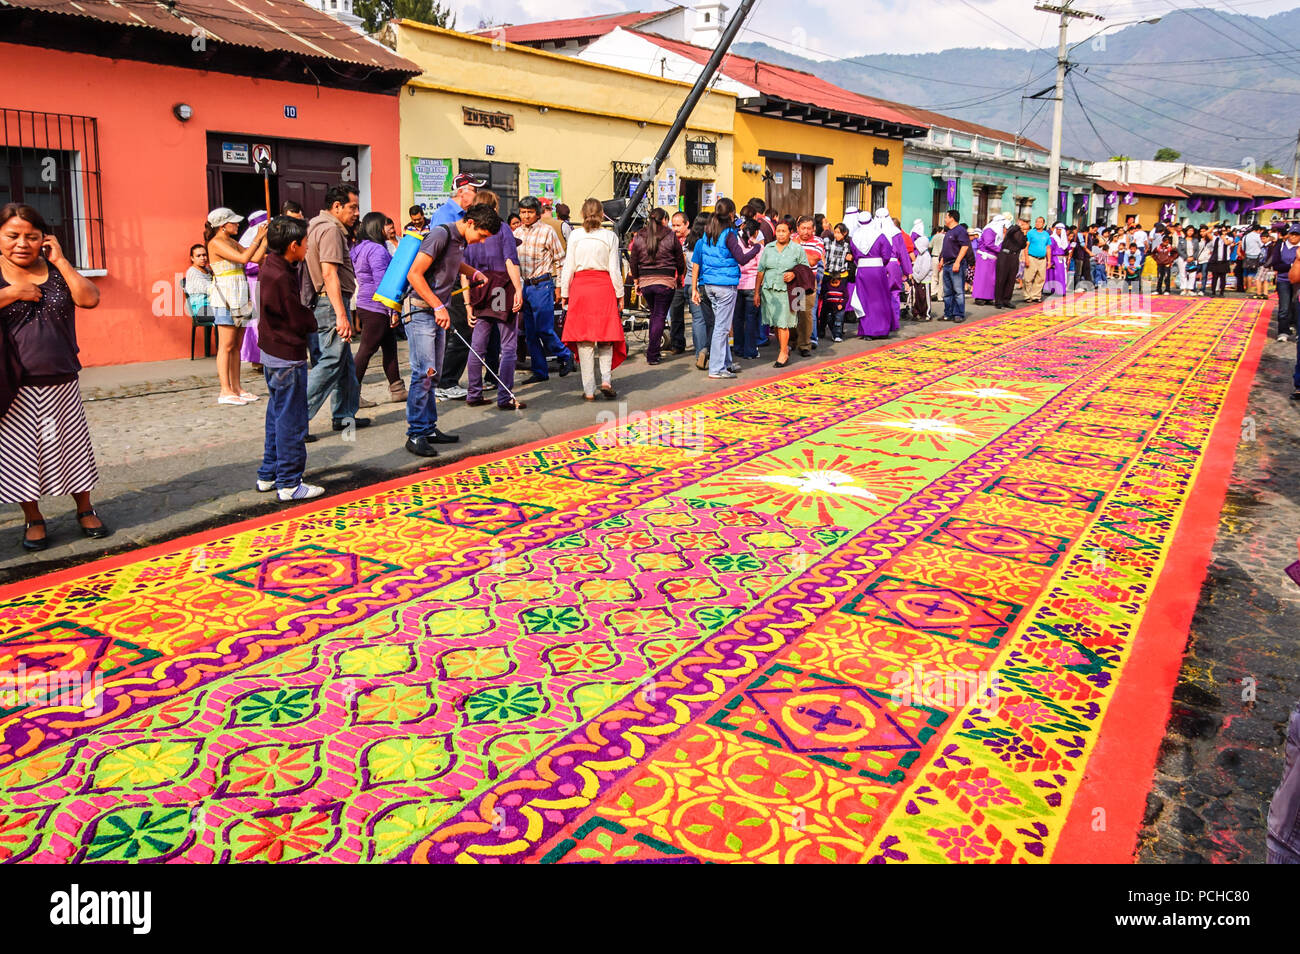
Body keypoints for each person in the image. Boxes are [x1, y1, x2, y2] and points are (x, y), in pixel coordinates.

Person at [0, 203, 106, 550]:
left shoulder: (56, 269)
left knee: (72, 448)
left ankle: (85, 509)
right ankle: (33, 517)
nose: (22, 243)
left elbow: (90, 299)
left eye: (31, 236)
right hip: (15, 384)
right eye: (12, 235)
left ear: (44, 238)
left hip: (62, 378)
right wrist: (11, 293)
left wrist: (60, 260)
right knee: (22, 454)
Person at [404, 204, 498, 456]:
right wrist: (437, 306)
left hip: (435, 312)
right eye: (481, 235)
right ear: (470, 223)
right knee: (423, 373)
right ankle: (415, 434)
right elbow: (415, 274)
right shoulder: (440, 234)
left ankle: (428, 428)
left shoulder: (459, 240)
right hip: (421, 311)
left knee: (433, 374)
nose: (481, 241)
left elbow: (452, 265)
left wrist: (474, 272)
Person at [255, 215, 323, 502]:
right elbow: (292, 315)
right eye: (306, 243)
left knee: (277, 414)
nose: (308, 248)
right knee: (291, 420)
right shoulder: (280, 275)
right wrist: (311, 319)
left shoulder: (273, 264)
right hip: (285, 353)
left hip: (272, 351)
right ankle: (289, 482)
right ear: (293, 245)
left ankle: (268, 474)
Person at [301, 184, 364, 436]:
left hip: (329, 302)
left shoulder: (317, 225)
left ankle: (344, 416)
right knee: (331, 360)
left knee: (344, 362)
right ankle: (296, 419)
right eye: (353, 207)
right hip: (330, 303)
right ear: (336, 207)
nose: (357, 213)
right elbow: (329, 273)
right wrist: (341, 314)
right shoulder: (330, 230)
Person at [461, 188, 525, 410]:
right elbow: (510, 261)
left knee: (477, 344)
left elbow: (463, 270)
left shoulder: (470, 232)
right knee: (508, 345)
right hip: (499, 289)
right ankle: (505, 395)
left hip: (478, 288)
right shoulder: (501, 229)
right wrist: (518, 289)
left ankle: (474, 392)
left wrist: (467, 303)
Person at [560, 198, 626, 400]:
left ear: (582, 214)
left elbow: (568, 266)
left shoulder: (575, 235)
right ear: (602, 214)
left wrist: (564, 292)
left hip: (580, 288)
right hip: (603, 288)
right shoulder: (610, 236)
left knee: (585, 341)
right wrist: (620, 294)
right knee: (606, 338)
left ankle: (589, 391)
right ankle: (606, 380)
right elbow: (614, 269)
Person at [691, 197, 760, 379]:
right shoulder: (728, 234)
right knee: (721, 328)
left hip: (710, 284)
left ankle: (726, 363)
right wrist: (757, 248)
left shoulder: (708, 231)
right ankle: (716, 368)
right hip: (725, 285)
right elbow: (742, 258)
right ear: (731, 213)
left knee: (721, 324)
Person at [205, 207, 265, 406]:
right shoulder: (215, 243)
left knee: (237, 346)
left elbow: (255, 258)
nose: (238, 225)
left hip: (240, 295)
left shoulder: (231, 241)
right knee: (227, 345)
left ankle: (237, 387)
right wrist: (258, 236)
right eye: (234, 222)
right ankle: (225, 389)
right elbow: (243, 259)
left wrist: (265, 239)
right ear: (223, 226)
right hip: (226, 297)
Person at [514, 195, 574, 384]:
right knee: (530, 333)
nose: (526, 216)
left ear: (538, 213)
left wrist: (559, 287)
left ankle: (565, 355)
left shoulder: (547, 231)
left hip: (543, 284)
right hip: (525, 285)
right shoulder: (516, 233)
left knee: (544, 328)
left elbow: (561, 261)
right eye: (523, 212)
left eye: (530, 212)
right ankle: (540, 370)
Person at [350, 211, 406, 406]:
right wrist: (393, 311)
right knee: (366, 350)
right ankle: (352, 395)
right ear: (376, 227)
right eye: (385, 225)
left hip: (366, 304)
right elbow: (384, 283)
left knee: (390, 348)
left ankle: (397, 389)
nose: (389, 228)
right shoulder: (377, 250)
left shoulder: (360, 248)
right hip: (377, 307)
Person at [628, 207, 686, 366]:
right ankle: (652, 354)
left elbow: (633, 261)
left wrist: (637, 280)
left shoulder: (639, 236)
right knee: (659, 316)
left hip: (646, 283)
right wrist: (680, 276)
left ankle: (653, 350)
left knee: (655, 315)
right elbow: (680, 260)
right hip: (665, 282)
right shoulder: (670, 236)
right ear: (664, 220)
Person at [848, 207, 912, 338]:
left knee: (865, 300)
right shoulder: (880, 235)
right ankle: (882, 329)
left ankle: (867, 331)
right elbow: (887, 254)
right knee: (881, 299)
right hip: (878, 270)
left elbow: (854, 255)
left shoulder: (855, 237)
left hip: (862, 271)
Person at [755, 219, 807, 368]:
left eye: (784, 231)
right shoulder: (768, 248)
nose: (781, 234)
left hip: (788, 291)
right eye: (778, 231)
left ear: (790, 233)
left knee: (784, 323)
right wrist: (757, 292)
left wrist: (794, 274)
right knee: (776, 324)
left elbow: (805, 269)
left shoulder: (796, 249)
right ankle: (784, 348)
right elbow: (761, 271)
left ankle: (783, 353)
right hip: (769, 291)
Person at [238, 209, 270, 372]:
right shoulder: (247, 244)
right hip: (254, 283)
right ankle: (258, 357)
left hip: (266, 282)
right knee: (257, 319)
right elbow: (249, 265)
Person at [733, 213, 763, 359]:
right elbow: (761, 270)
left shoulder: (736, 244)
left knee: (737, 318)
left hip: (737, 285)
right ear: (756, 232)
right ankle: (750, 350)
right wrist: (758, 291)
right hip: (752, 286)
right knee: (751, 320)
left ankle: (738, 348)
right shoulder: (758, 247)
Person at [664, 210, 692, 355]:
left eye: (678, 225)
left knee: (697, 316)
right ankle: (677, 344)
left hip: (691, 282)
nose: (675, 228)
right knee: (675, 315)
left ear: (687, 224)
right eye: (673, 225)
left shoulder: (694, 239)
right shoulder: (670, 239)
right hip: (675, 282)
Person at [796, 216, 825, 353]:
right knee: (794, 311)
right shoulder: (791, 239)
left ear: (814, 229)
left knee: (807, 313)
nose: (806, 231)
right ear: (798, 229)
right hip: (794, 280)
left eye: (809, 228)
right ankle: (793, 341)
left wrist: (796, 249)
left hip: (808, 281)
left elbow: (813, 260)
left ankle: (806, 343)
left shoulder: (818, 241)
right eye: (803, 228)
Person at [937, 209, 970, 322]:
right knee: (947, 291)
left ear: (952, 218)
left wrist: (957, 262)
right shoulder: (949, 232)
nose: (945, 219)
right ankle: (948, 313)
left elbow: (964, 247)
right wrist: (941, 260)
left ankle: (959, 313)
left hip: (955, 264)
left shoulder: (960, 230)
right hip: (946, 264)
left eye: (946, 217)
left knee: (958, 290)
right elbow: (946, 248)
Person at [819, 222, 852, 340]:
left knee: (839, 303)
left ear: (845, 233)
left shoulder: (848, 245)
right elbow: (822, 253)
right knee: (826, 302)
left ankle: (838, 330)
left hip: (841, 275)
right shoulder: (828, 241)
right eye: (836, 232)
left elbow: (851, 257)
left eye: (839, 233)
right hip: (828, 274)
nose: (837, 235)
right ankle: (821, 328)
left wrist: (851, 257)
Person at [1268, 225, 1300, 341]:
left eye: (1296, 235)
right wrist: (1292, 265)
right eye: (1292, 234)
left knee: (1297, 305)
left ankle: (1298, 331)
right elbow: (1276, 264)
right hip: (1283, 280)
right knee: (1284, 306)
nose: (1293, 237)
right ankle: (1283, 331)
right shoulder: (1281, 246)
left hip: (1298, 281)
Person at [994, 217, 1029, 309]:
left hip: (1014, 256)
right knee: (1001, 278)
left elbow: (1022, 245)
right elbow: (1010, 232)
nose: (1025, 224)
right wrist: (1018, 226)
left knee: (1011, 279)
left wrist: (1025, 234)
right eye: (1023, 222)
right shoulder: (1012, 229)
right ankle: (998, 301)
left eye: (1026, 223)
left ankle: (1006, 300)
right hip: (1005, 255)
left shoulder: (1022, 234)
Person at [972, 214, 1004, 304]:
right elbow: (988, 243)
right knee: (982, 278)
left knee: (991, 279)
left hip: (992, 258)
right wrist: (1001, 250)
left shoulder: (996, 232)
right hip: (985, 258)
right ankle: (979, 297)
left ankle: (988, 297)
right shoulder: (989, 230)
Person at [1022, 217, 1049, 303]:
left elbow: (1048, 247)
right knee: (1028, 278)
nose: (1038, 223)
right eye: (1036, 222)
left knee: (1040, 278)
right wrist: (1026, 258)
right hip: (1032, 257)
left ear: (1043, 224)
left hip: (1042, 259)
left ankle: (1036, 295)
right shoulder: (1030, 233)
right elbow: (1026, 246)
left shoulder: (1046, 234)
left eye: (1040, 222)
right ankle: (1027, 296)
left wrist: (1049, 260)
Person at [184, 243, 213, 322]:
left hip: (211, 305)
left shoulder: (208, 270)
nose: (202, 258)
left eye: (204, 255)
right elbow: (208, 289)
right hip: (200, 309)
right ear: (192, 258)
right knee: (227, 314)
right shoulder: (192, 272)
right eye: (198, 256)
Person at [1205, 227, 1231, 298]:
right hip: (1216, 260)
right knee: (1215, 277)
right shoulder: (1215, 238)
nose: (1223, 232)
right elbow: (1207, 233)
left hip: (1224, 260)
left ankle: (1221, 292)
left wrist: (1223, 237)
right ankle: (1213, 292)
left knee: (1223, 277)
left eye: (1224, 231)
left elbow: (1226, 243)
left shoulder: (1229, 238)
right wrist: (1213, 227)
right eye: (1221, 231)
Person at [1046, 222, 1069, 296]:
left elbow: (1066, 248)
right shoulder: (1052, 238)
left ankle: (1060, 290)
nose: (1059, 231)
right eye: (1057, 229)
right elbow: (1050, 249)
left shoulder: (1064, 239)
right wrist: (1051, 261)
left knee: (1061, 274)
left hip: (1062, 258)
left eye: (1060, 230)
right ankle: (1055, 290)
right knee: (1056, 274)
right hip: (1055, 258)